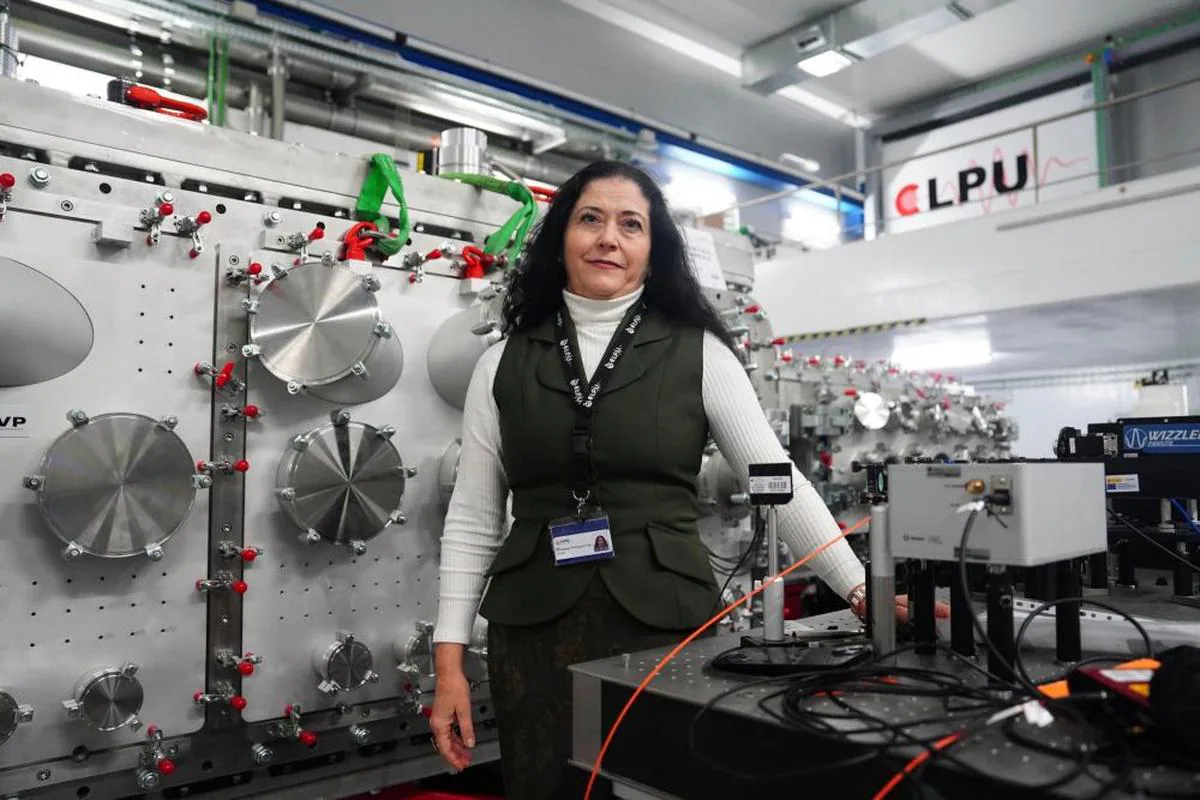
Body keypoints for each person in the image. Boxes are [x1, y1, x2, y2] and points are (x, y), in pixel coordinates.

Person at [429, 161, 892, 798]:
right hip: (532, 630)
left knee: (658, 785)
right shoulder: (500, 362)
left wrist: (860, 589)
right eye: (590, 219)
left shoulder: (700, 351)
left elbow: (775, 480)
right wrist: (447, 658)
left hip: (664, 625)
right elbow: (475, 517)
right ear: (562, 234)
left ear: (653, 247)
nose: (608, 238)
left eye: (630, 224)